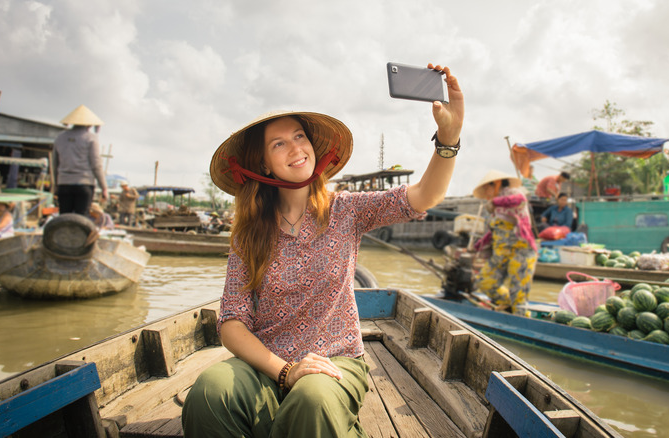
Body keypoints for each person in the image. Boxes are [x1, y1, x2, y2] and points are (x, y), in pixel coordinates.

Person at [181, 64, 463, 437]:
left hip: (334, 363)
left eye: (300, 136)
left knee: (312, 399)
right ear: (263, 162)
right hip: (267, 366)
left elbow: (424, 196)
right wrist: (284, 370)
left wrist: (449, 138)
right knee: (209, 393)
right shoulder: (248, 233)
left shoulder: (346, 210)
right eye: (279, 143)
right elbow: (232, 321)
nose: (296, 148)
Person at [471, 170, 537, 316]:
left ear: (497, 183)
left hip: (521, 251)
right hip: (501, 254)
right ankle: (508, 305)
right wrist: (475, 248)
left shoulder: (512, 192)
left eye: (487, 188)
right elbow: (493, 232)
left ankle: (520, 316)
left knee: (518, 292)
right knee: (485, 281)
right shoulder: (496, 209)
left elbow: (520, 199)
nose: (487, 192)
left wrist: (494, 202)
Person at [53, 105, 109, 216]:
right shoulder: (90, 138)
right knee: (81, 219)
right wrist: (104, 187)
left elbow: (55, 163)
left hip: (63, 183)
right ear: (89, 124)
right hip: (84, 184)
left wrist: (56, 183)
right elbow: (96, 164)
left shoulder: (60, 137)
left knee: (64, 217)